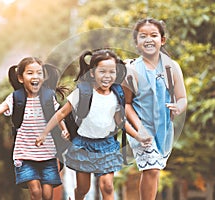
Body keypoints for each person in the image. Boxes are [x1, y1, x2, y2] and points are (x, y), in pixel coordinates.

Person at [35, 49, 152, 200]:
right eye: (102, 71)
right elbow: (61, 113)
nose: (107, 76)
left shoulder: (117, 94)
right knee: (84, 188)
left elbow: (120, 122)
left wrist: (138, 136)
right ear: (92, 73)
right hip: (84, 146)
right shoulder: (83, 92)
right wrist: (44, 133)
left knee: (108, 186)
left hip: (107, 146)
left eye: (112, 72)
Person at [0, 57, 69, 200]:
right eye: (30, 73)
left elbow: (58, 115)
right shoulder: (16, 98)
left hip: (48, 154)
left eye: (39, 73)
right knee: (36, 192)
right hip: (24, 154)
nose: (35, 76)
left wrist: (64, 129)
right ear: (20, 78)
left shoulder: (48, 97)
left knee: (48, 195)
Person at [123, 18, 187, 200]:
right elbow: (126, 104)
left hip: (164, 129)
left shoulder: (172, 67)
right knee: (150, 168)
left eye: (154, 35)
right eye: (143, 36)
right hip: (141, 127)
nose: (148, 39)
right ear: (136, 42)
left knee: (155, 169)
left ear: (162, 40)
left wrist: (178, 107)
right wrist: (139, 129)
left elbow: (182, 98)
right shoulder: (131, 70)